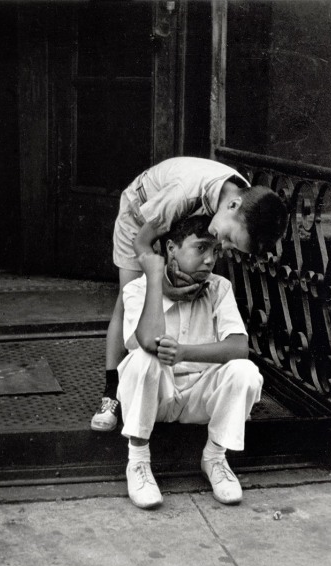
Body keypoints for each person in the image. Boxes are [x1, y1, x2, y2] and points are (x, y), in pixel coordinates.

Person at [90, 156, 287, 432]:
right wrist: (161, 284)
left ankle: (181, 386)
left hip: (182, 213)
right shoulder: (184, 193)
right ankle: (112, 391)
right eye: (229, 238)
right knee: (128, 298)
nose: (223, 246)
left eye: (230, 246)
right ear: (232, 205)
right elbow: (143, 242)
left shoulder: (240, 199)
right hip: (141, 217)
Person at [117, 215, 263, 509]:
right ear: (171, 248)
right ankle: (138, 462)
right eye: (200, 249)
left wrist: (184, 352)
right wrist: (156, 278)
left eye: (216, 251)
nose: (210, 260)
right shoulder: (137, 289)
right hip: (156, 398)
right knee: (144, 360)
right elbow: (147, 341)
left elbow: (239, 346)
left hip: (201, 396)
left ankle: (214, 457)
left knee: (245, 371)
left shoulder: (218, 287)